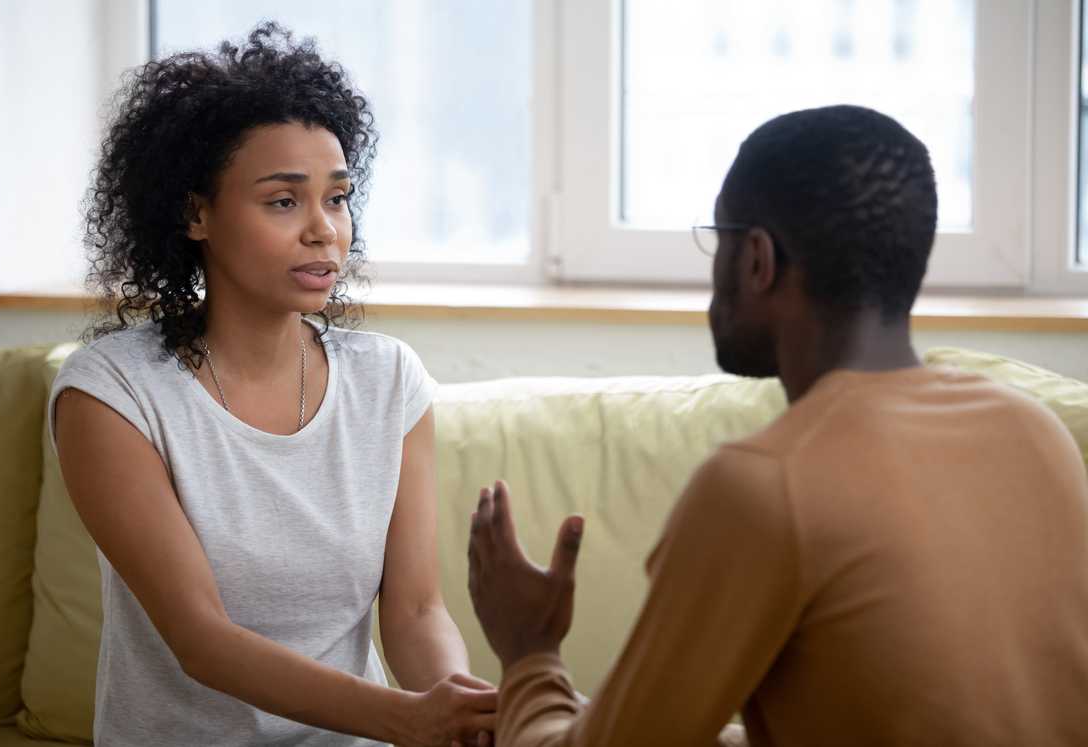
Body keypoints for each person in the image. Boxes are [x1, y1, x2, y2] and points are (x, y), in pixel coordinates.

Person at [466, 105, 1088, 746]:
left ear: (758, 259)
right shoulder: (1035, 433)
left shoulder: (763, 487)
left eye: (720, 238)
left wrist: (529, 652)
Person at [52, 23, 494, 747]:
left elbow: (415, 613)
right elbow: (201, 638)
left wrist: (456, 710)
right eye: (284, 202)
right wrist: (405, 718)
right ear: (197, 213)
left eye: (338, 198)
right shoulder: (112, 393)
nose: (325, 231)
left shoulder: (388, 381)